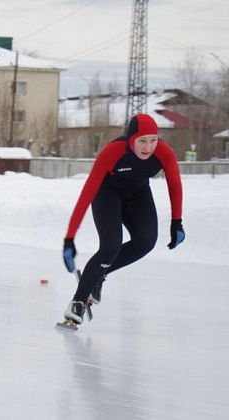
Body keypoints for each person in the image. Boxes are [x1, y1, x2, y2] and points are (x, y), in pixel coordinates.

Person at [60, 113, 186, 327]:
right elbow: (87, 193)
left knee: (146, 241)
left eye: (153, 140)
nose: (148, 147)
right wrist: (70, 238)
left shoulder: (164, 152)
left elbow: (175, 185)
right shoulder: (113, 152)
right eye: (142, 141)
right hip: (107, 192)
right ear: (131, 139)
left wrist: (177, 222)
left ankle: (98, 275)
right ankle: (78, 302)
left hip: (138, 192)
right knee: (111, 246)